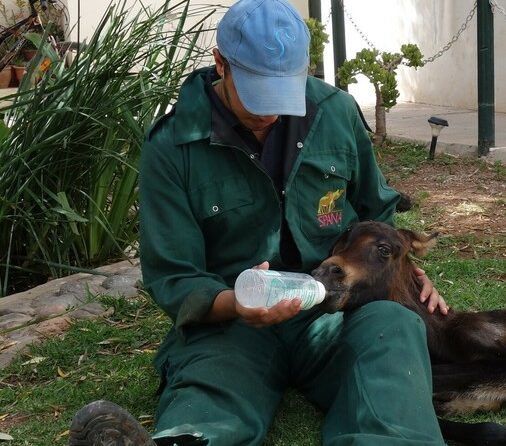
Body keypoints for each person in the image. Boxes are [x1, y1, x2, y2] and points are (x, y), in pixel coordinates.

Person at [68, 0, 449, 444]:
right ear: (220, 64)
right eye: (257, 94)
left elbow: (375, 210)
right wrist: (234, 304)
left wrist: (405, 271)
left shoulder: (336, 112)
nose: (270, 113)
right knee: (212, 390)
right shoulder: (172, 148)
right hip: (232, 324)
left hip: (332, 315)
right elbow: (174, 274)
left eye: (282, 93)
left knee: (396, 330)